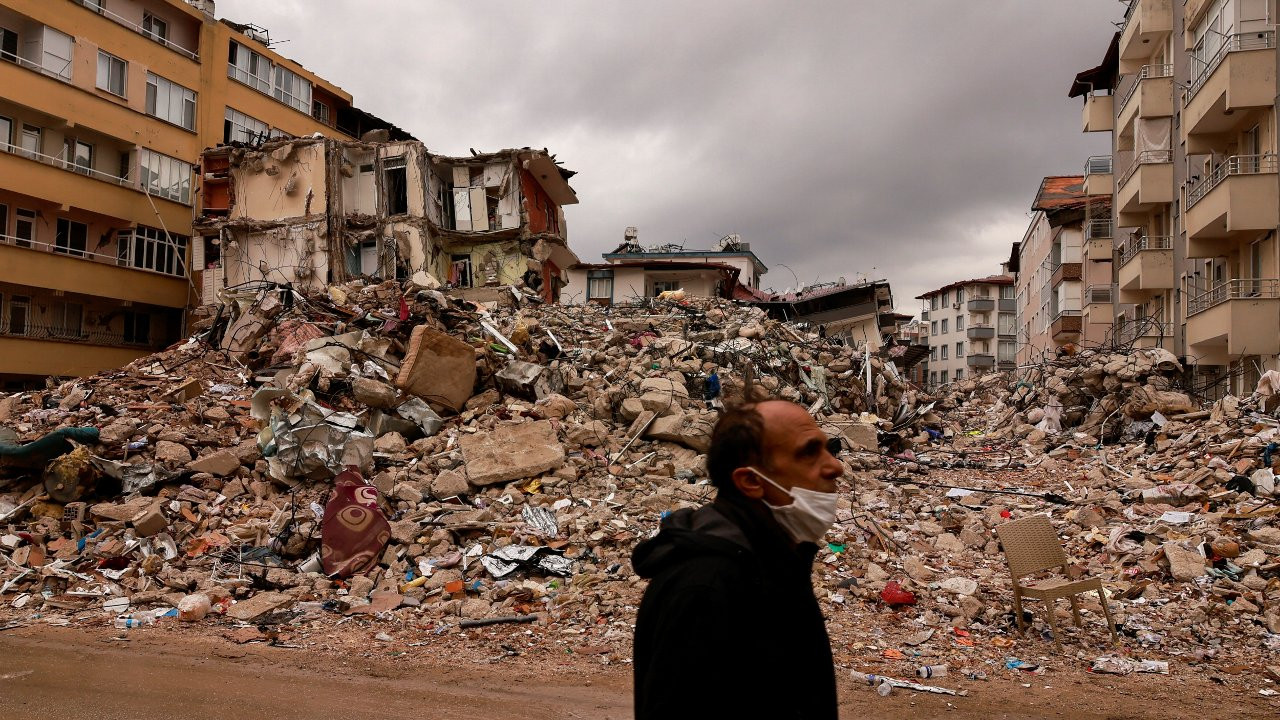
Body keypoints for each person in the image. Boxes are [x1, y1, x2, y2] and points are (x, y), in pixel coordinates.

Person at [631, 399, 843, 719]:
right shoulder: (705, 587)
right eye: (809, 452)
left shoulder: (777, 560)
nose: (834, 466)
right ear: (751, 481)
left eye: (830, 449)